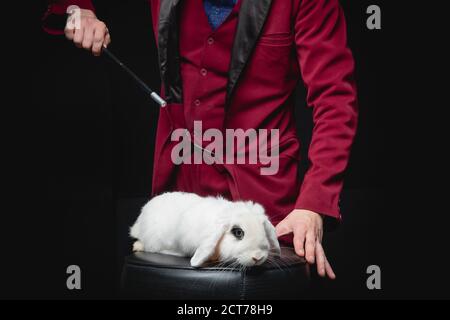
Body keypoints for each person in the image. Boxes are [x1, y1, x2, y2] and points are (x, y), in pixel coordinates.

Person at [43, 0, 358, 279]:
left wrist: (313, 204)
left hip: (264, 207)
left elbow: (335, 100)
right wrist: (77, 7)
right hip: (179, 200)